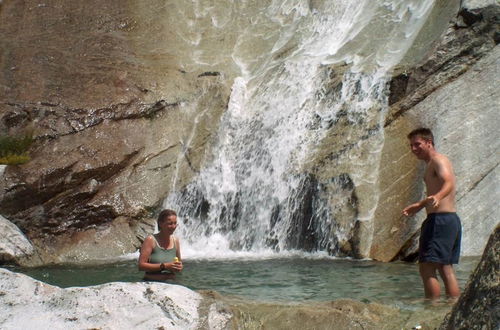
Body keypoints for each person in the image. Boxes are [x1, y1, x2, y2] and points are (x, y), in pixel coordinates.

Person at [402, 128, 462, 300]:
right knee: (444, 267)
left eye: (417, 144)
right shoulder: (432, 163)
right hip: (447, 220)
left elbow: (449, 182)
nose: (413, 149)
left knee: (427, 267)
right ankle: (451, 308)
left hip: (440, 221)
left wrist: (438, 196)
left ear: (429, 143)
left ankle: (432, 308)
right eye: (411, 145)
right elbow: (438, 189)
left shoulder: (438, 160)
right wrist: (420, 205)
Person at [138, 209, 183, 281]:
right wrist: (164, 266)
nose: (173, 226)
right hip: (152, 284)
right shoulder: (150, 240)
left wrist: (179, 267)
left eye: (175, 223)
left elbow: (179, 264)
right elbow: (141, 266)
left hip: (171, 284)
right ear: (160, 223)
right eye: (170, 223)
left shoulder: (175, 241)